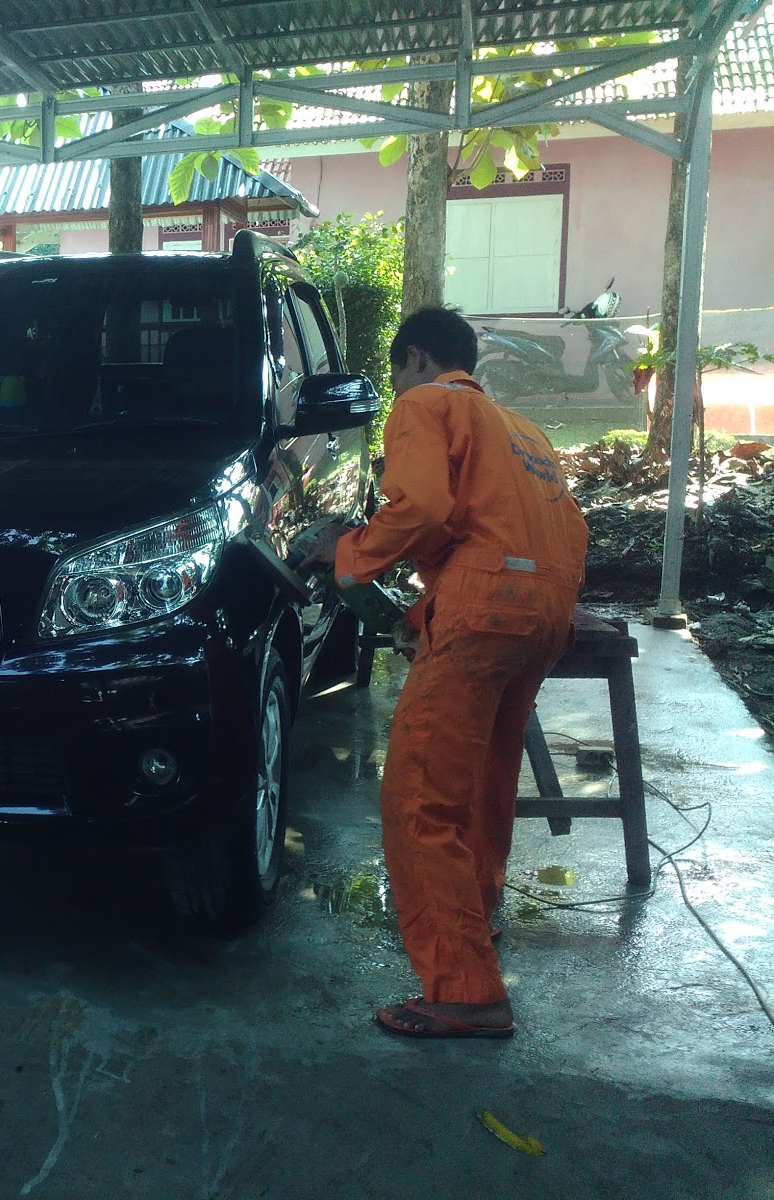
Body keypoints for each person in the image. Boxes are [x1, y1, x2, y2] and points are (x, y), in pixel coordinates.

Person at [301, 306, 588, 1039]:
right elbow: (561, 528)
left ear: (416, 360)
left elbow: (421, 509)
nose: (398, 386)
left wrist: (347, 551)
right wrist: (431, 608)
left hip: (486, 610)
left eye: (397, 372)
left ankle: (464, 991)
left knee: (420, 796)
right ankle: (477, 921)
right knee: (483, 782)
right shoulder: (521, 430)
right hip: (546, 612)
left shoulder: (423, 405)